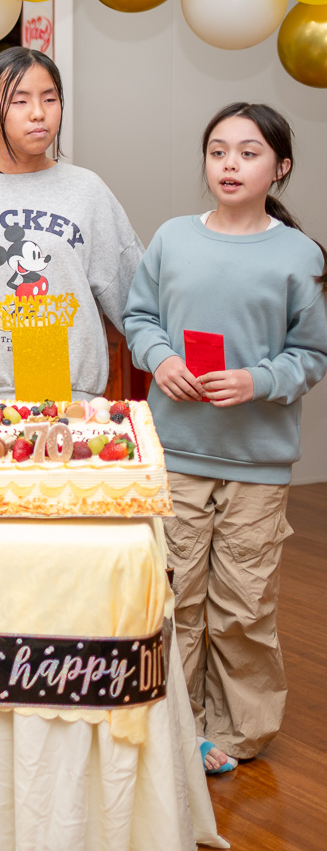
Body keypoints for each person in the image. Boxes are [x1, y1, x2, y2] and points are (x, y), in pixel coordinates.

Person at [124, 102, 327, 775]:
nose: (229, 164)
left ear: (280, 167)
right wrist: (160, 359)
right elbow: (139, 317)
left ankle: (238, 733)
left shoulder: (299, 255)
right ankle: (178, 730)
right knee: (174, 599)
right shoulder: (172, 238)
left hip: (256, 466)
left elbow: (311, 355)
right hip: (175, 456)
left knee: (243, 605)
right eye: (217, 152)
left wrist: (256, 380)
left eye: (247, 152)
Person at [0, 47, 143, 431]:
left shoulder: (87, 191)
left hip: (70, 406)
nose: (38, 113)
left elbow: (137, 295)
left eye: (50, 99)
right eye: (20, 101)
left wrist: (173, 358)